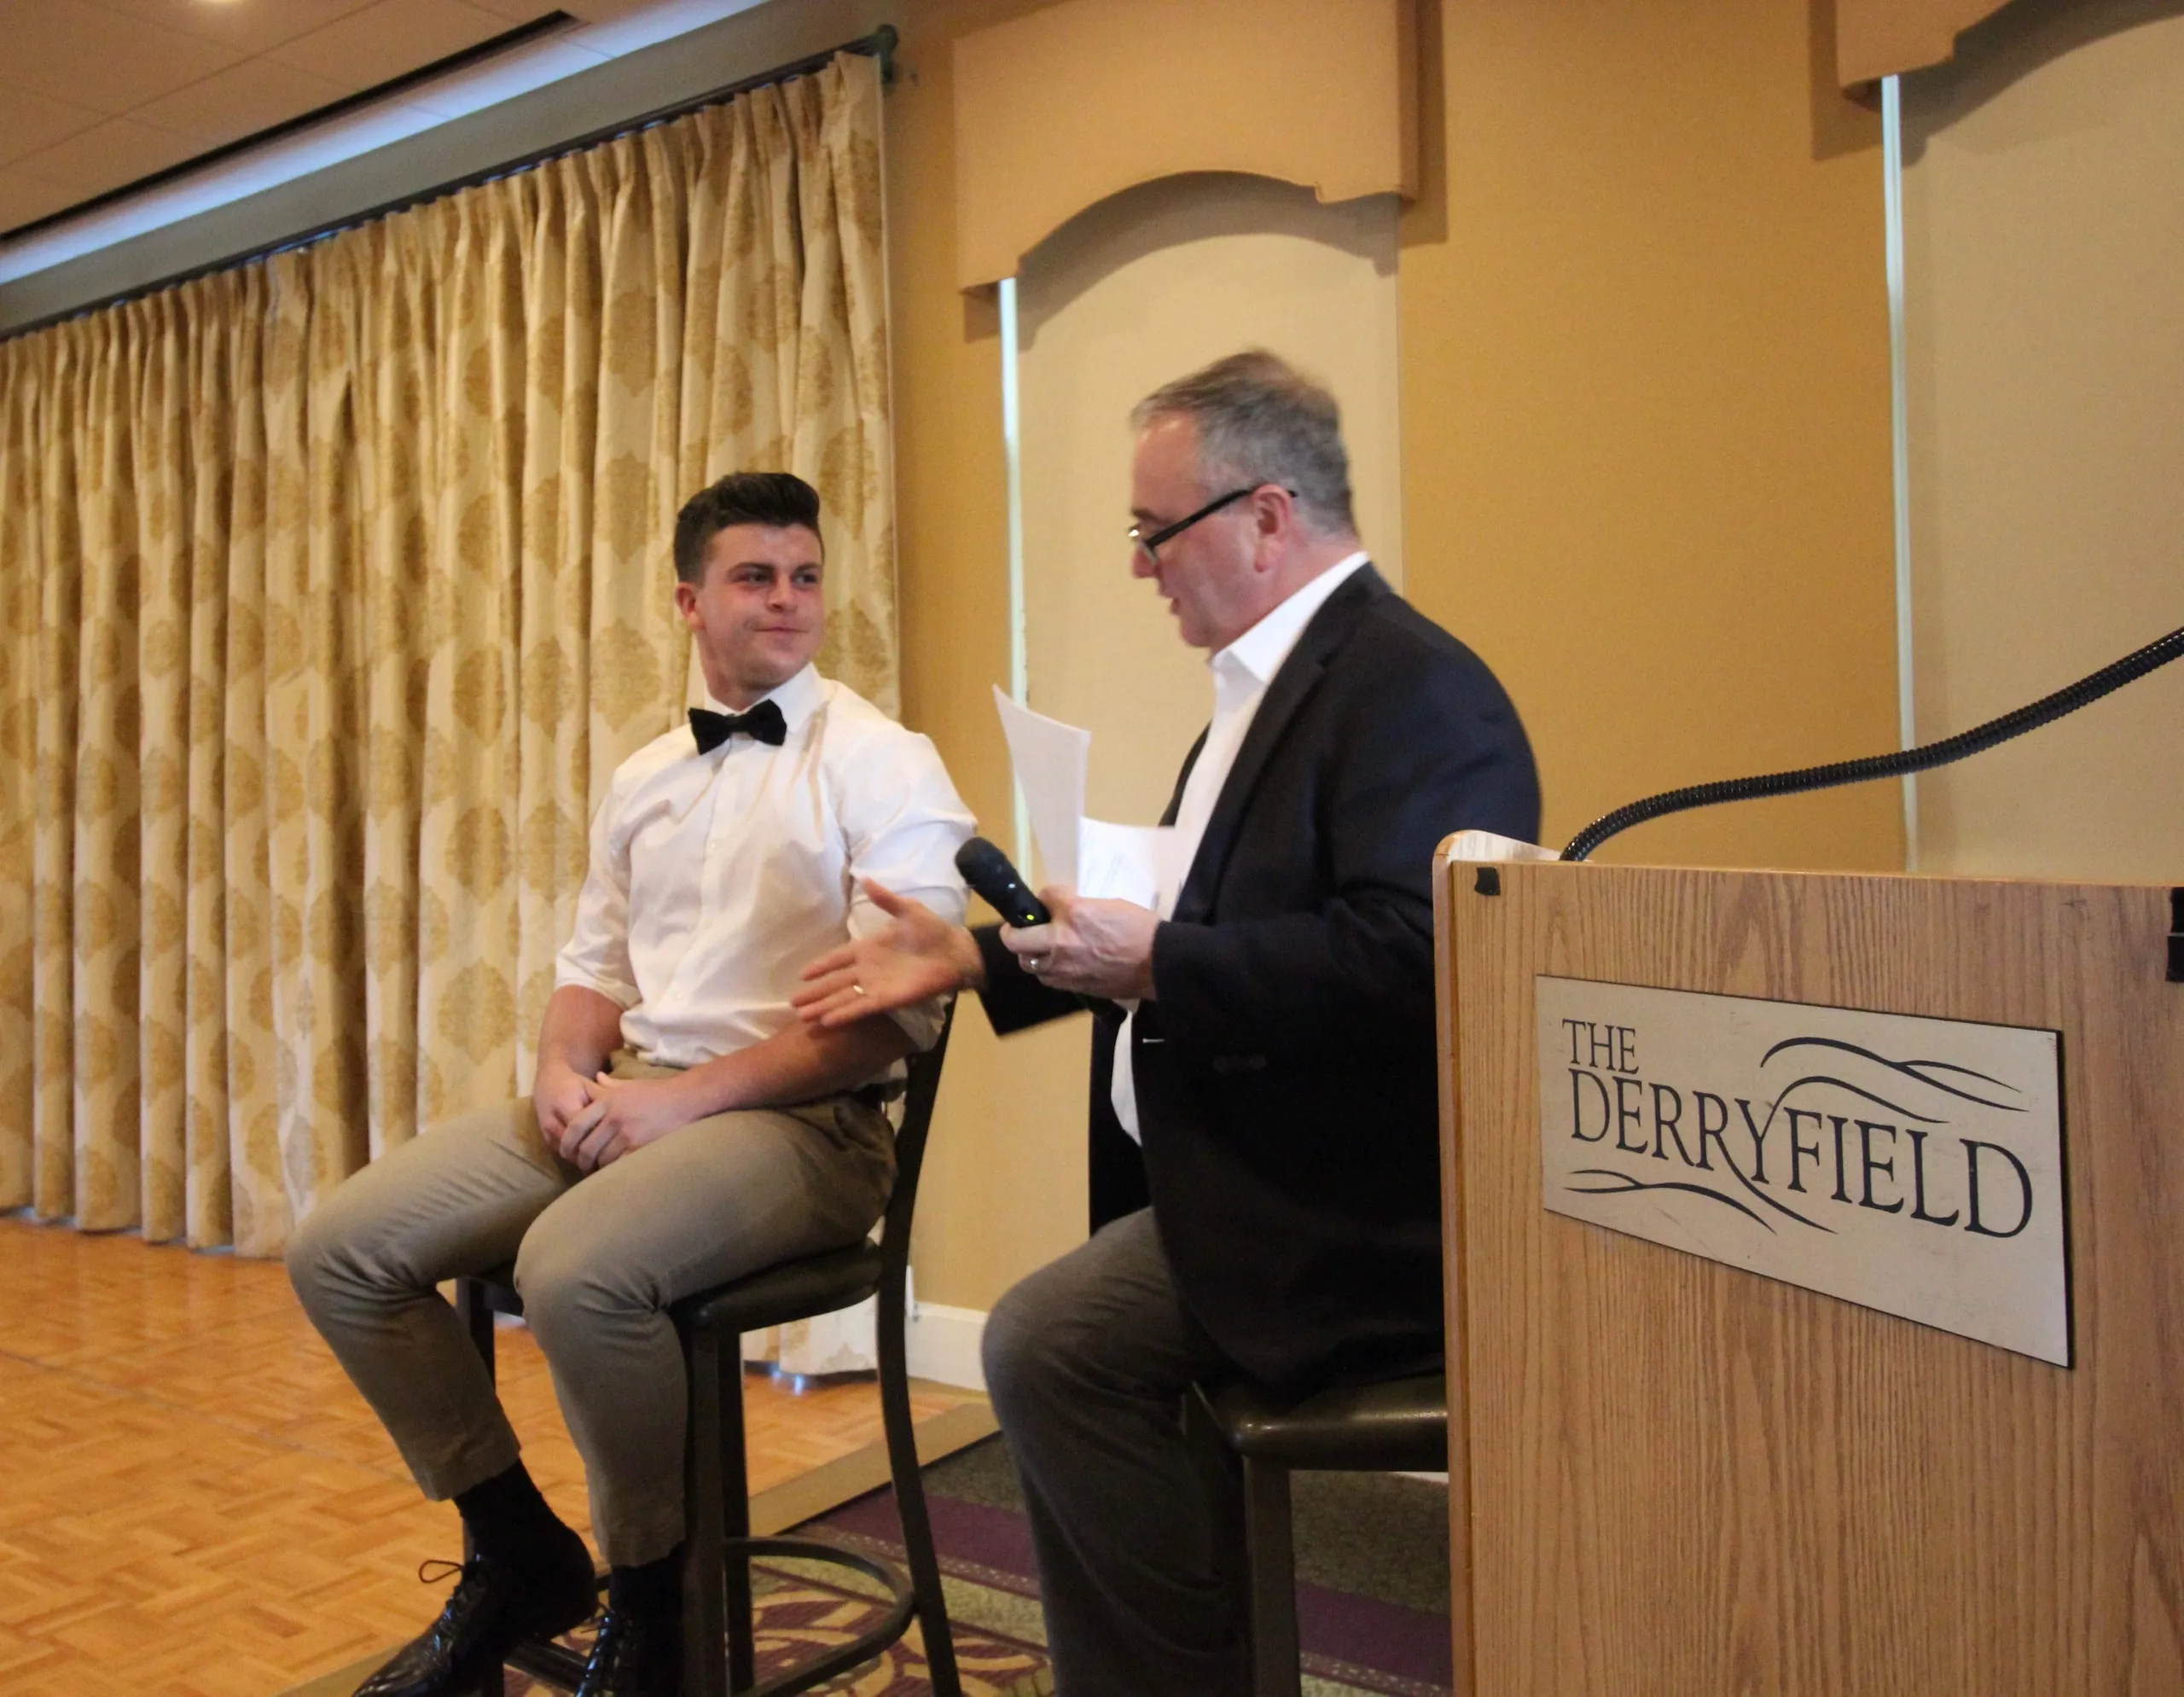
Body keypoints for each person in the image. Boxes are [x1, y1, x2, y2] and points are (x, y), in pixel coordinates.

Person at [795, 351, 1541, 1694]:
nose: (1141, 566)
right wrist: (972, 962)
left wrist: (1162, 960)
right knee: (1068, 1344)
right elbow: (1186, 927)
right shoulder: (1269, 692)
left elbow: (1422, 956)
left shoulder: (1415, 687)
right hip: (1238, 1175)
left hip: (1346, 1213)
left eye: (1156, 531)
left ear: (1266, 517)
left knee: (1047, 1344)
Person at [288, 472, 973, 1697]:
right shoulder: (647, 772)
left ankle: (653, 1604)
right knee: (341, 1248)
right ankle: (519, 1551)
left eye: (806, 577)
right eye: (755, 577)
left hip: (807, 1128)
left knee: (573, 1268)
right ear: (689, 601)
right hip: (641, 1096)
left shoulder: (885, 763)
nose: (788, 600)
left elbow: (891, 1020)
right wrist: (560, 1067)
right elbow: (594, 970)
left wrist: (675, 1105)